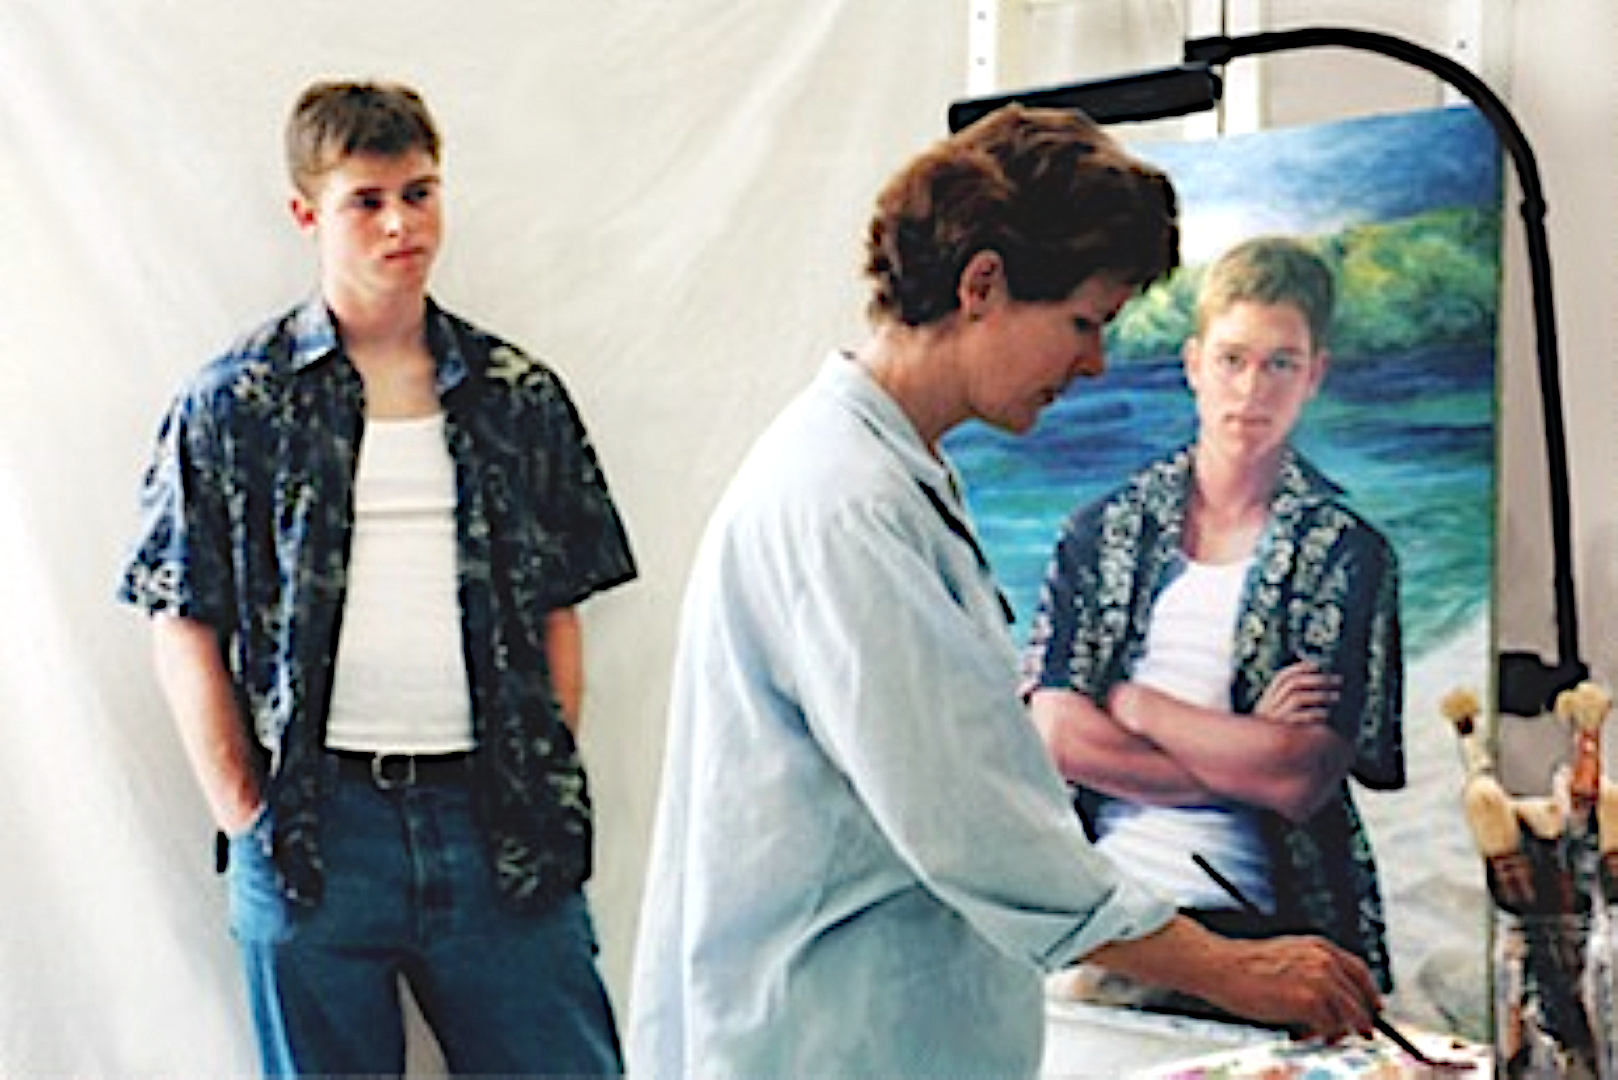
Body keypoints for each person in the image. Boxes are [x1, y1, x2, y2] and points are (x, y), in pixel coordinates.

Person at [627, 107, 1379, 1079]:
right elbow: (972, 822)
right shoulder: (841, 503)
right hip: (828, 1043)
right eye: (1083, 322)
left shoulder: (894, 475)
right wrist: (1229, 968)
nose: (1095, 363)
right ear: (982, 284)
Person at [116, 80, 635, 1076]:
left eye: (421, 191)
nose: (401, 223)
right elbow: (181, 615)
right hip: (315, 831)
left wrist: (547, 760)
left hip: (499, 821)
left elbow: (561, 600)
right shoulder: (235, 401)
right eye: (367, 199)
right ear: (307, 213)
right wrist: (246, 811)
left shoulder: (516, 394)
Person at [1022, 236, 1404, 1002]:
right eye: (1232, 360)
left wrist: (1137, 706)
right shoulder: (1103, 533)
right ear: (1193, 363)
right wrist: (1238, 753)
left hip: (1274, 923)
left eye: (1280, 364)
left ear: (1314, 375)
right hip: (1103, 914)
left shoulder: (1344, 553)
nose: (1252, 390)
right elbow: (1056, 737)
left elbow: (1298, 778)